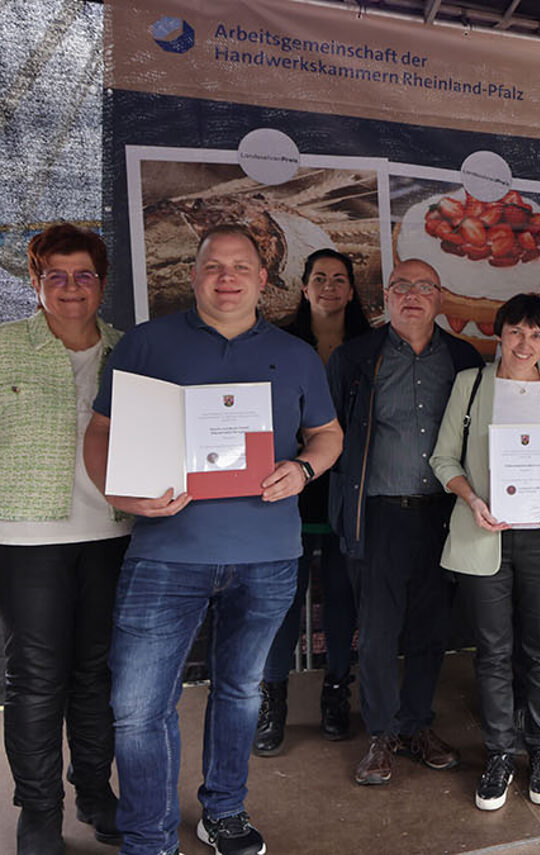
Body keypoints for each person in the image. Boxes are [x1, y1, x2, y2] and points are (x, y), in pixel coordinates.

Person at [82, 223, 342, 855]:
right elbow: (99, 434)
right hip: (166, 555)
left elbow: (328, 437)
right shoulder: (148, 346)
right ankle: (148, 838)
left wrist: (303, 468)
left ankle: (223, 810)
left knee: (240, 689)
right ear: (194, 275)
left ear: (262, 279)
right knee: (139, 707)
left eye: (240, 267)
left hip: (268, 558)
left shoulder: (296, 355)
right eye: (213, 266)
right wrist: (120, 495)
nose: (227, 278)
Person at [0, 225, 131, 854]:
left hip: (112, 533)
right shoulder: (4, 349)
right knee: (35, 680)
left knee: (97, 675)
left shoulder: (130, 353)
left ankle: (97, 795)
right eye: (57, 274)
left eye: (83, 274)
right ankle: (39, 812)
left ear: (102, 283)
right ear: (35, 281)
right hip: (26, 538)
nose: (71, 287)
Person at [328, 258, 484, 786]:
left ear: (440, 298)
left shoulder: (464, 359)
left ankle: (416, 725)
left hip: (444, 514)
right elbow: (328, 434)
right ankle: (380, 733)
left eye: (424, 287)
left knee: (430, 626)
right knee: (375, 632)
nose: (412, 295)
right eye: (401, 287)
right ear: (385, 299)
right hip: (378, 514)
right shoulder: (355, 358)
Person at [429, 293, 540, 811]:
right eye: (516, 332)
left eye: (536, 335)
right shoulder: (471, 385)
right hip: (486, 534)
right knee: (493, 651)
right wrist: (471, 499)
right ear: (500, 334)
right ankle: (500, 751)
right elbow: (444, 457)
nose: (525, 343)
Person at [255, 249, 371, 756]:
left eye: (339, 279)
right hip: (286, 490)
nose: (329, 287)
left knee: (344, 599)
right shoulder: (278, 344)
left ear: (351, 290)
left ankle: (335, 692)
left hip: (349, 492)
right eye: (319, 278)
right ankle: (272, 700)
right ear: (302, 287)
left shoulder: (371, 346)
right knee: (281, 601)